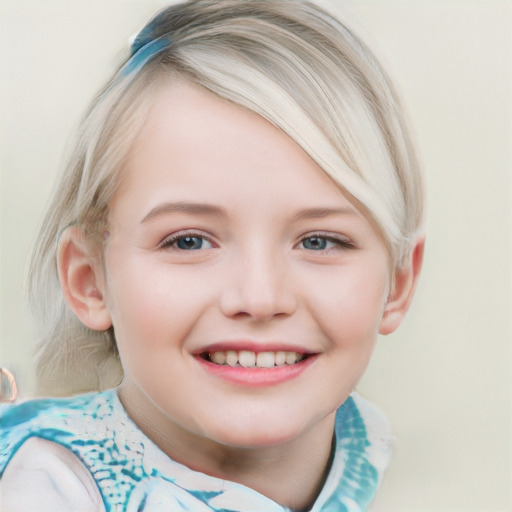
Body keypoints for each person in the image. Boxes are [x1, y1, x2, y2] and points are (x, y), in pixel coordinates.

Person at [0, 0, 425, 510]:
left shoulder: (371, 449)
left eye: (319, 241)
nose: (260, 297)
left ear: (398, 283)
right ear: (91, 281)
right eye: (189, 241)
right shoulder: (45, 490)